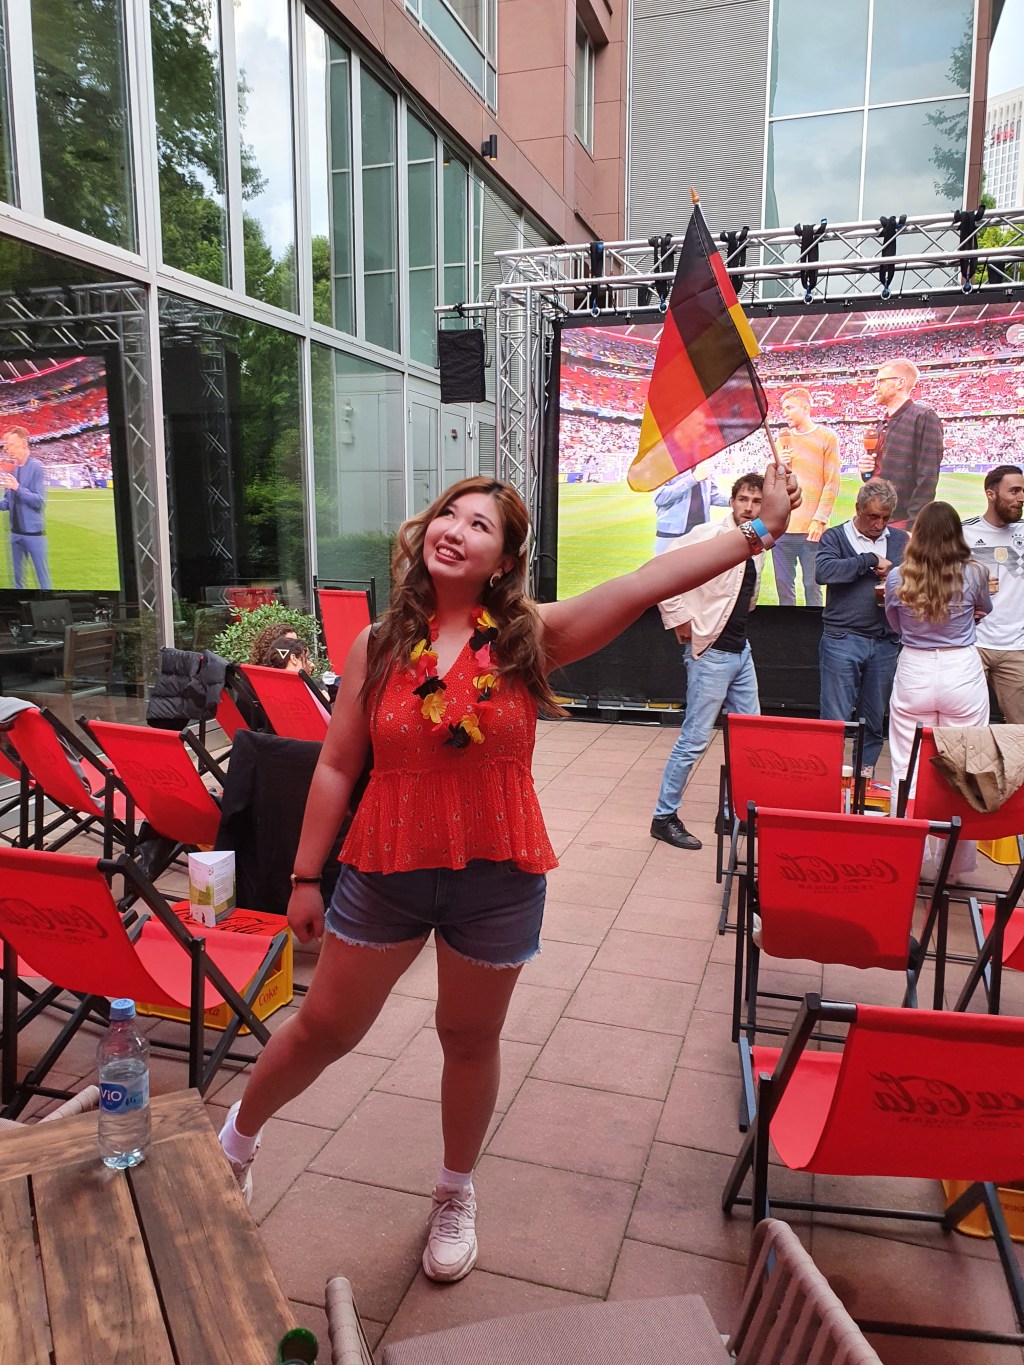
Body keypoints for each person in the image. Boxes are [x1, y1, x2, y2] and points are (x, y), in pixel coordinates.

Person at [217, 468, 799, 1282]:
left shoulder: (527, 638)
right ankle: (235, 1143)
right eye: (447, 513)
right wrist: (305, 875)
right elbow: (337, 765)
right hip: (385, 864)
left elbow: (640, 583)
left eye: (479, 523)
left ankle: (455, 1191)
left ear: (502, 560)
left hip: (497, 871)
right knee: (325, 1028)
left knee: (467, 1037)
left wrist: (758, 533)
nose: (454, 528)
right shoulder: (379, 645)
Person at [650, 474, 767, 851]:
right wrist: (681, 620)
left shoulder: (759, 541)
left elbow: (747, 595)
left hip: (740, 651)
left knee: (750, 737)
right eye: (744, 499)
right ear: (732, 501)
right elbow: (661, 570)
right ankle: (663, 817)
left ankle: (735, 813)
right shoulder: (707, 535)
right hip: (711, 652)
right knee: (695, 740)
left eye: (756, 501)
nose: (749, 507)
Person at [884, 502, 991, 880]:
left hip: (916, 666)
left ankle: (910, 858)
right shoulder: (975, 572)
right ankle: (952, 867)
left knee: (906, 765)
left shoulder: (899, 576)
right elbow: (984, 609)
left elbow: (895, 624)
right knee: (963, 767)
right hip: (960, 668)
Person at [815, 479, 908, 775]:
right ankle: (828, 775)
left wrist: (896, 574)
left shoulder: (900, 540)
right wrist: (867, 560)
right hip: (843, 637)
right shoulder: (835, 536)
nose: (878, 524)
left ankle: (863, 774)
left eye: (885, 517)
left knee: (873, 715)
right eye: (872, 516)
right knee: (835, 717)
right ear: (857, 509)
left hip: (885, 641)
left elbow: (917, 580)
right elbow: (824, 572)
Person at [961, 464, 1024, 723]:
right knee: (966, 722)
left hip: (1017, 647)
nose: (1021, 497)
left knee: (1020, 729)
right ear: (991, 494)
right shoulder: (963, 532)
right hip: (973, 644)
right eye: (1014, 491)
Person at [772, 388, 840, 607]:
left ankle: (814, 635)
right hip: (782, 529)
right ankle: (789, 635)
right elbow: (771, 485)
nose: (785, 413)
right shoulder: (782, 439)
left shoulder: (826, 437)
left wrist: (819, 519)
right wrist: (778, 464)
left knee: (813, 587)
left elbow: (832, 481)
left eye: (790, 407)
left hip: (811, 530)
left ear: (805, 408)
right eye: (783, 409)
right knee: (783, 588)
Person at [858, 359, 942, 529]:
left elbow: (928, 477)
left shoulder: (923, 417)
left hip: (901, 520)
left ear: (900, 383)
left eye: (880, 381)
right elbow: (875, 476)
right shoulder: (881, 425)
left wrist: (914, 525)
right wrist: (866, 473)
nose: (874, 387)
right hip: (875, 517)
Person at [0, 427, 51, 590]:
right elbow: (7, 503)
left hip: (34, 536)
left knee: (43, 582)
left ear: (23, 444)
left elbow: (39, 502)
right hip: (15, 535)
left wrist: (17, 487)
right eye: (7, 446)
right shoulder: (12, 469)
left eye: (12, 445)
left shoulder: (36, 467)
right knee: (18, 583)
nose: (8, 449)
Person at [652, 462, 728, 555]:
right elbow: (660, 497)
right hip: (670, 535)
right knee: (665, 569)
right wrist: (693, 478)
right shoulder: (667, 463)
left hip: (700, 534)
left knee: (699, 569)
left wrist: (735, 500)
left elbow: (712, 496)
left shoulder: (705, 463)